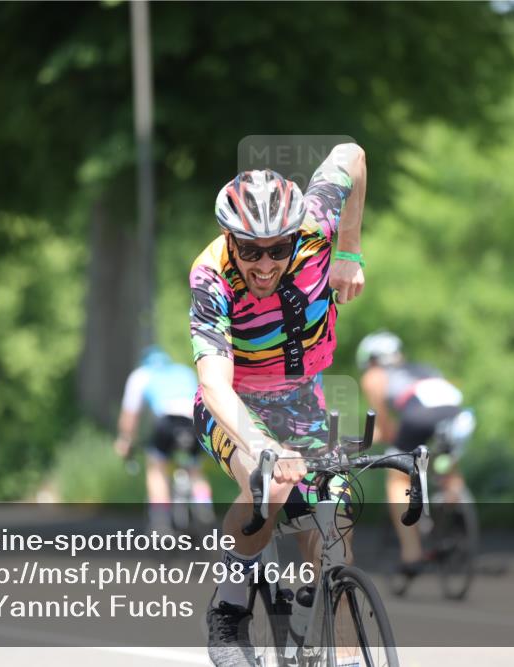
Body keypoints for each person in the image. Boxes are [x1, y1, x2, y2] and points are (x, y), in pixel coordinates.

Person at [190, 144, 367, 665]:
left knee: (334, 513)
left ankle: (327, 622)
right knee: (268, 481)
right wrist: (264, 445)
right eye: (251, 249)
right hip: (233, 401)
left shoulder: (315, 225)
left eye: (278, 248)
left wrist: (350, 251)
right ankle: (229, 608)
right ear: (230, 239)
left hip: (300, 396)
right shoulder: (210, 276)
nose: (265, 263)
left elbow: (352, 155)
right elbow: (215, 385)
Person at [356, 331, 476, 579]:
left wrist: (380, 437)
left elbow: (386, 425)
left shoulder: (374, 376)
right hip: (459, 417)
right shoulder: (426, 368)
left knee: (397, 476)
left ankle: (412, 553)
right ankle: (453, 506)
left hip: (419, 420)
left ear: (369, 359)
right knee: (446, 465)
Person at [113, 346, 213, 533]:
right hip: (193, 422)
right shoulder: (183, 371)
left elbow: (130, 416)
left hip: (167, 422)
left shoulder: (140, 375)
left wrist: (125, 440)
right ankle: (204, 505)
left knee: (156, 468)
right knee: (195, 469)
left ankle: (160, 522)